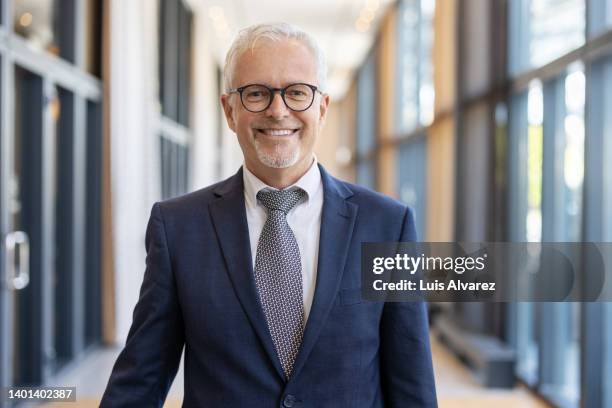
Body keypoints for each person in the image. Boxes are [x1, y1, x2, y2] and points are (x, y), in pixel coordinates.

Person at [101, 22, 437, 407]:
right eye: (257, 93)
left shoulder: (388, 226)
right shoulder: (178, 228)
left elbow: (412, 387)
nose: (278, 111)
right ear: (229, 110)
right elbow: (140, 379)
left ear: (322, 108)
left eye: (297, 92)